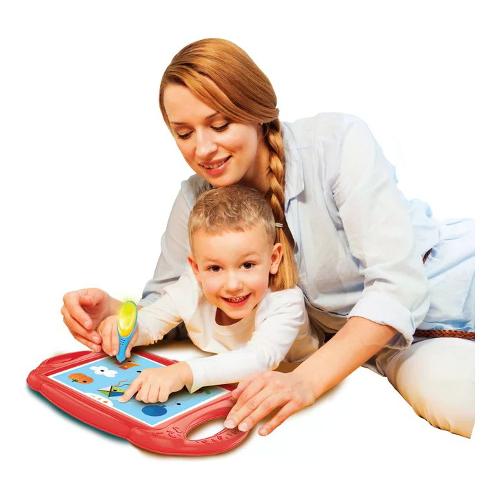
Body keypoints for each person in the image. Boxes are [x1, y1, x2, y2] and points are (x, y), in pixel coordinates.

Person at [61, 38, 475, 438]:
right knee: (456, 401)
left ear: (256, 110)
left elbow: (397, 287)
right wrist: (117, 314)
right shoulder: (194, 200)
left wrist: (306, 380)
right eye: (184, 133)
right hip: (388, 346)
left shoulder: (336, 144)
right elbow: (180, 305)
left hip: (458, 285)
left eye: (219, 124)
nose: (202, 149)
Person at [94, 185, 318, 403]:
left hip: (301, 396)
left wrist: (182, 373)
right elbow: (152, 321)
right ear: (196, 268)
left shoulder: (285, 301)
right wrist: (127, 330)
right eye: (215, 268)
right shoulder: (192, 288)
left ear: (274, 259)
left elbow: (259, 359)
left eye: (247, 265)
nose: (233, 285)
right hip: (228, 390)